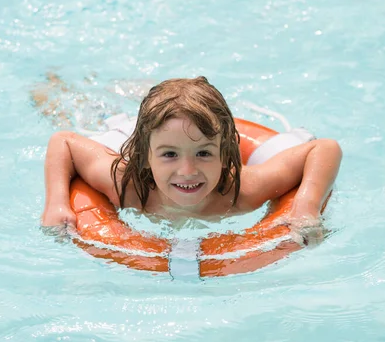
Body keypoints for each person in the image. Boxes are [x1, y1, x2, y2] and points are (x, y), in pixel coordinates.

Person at [36, 75, 342, 245]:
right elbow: (63, 140)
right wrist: (57, 203)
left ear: (226, 154)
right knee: (52, 101)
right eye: (169, 155)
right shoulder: (127, 187)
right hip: (113, 125)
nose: (187, 171)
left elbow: (325, 148)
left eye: (204, 153)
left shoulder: (243, 191)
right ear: (144, 158)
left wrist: (306, 205)